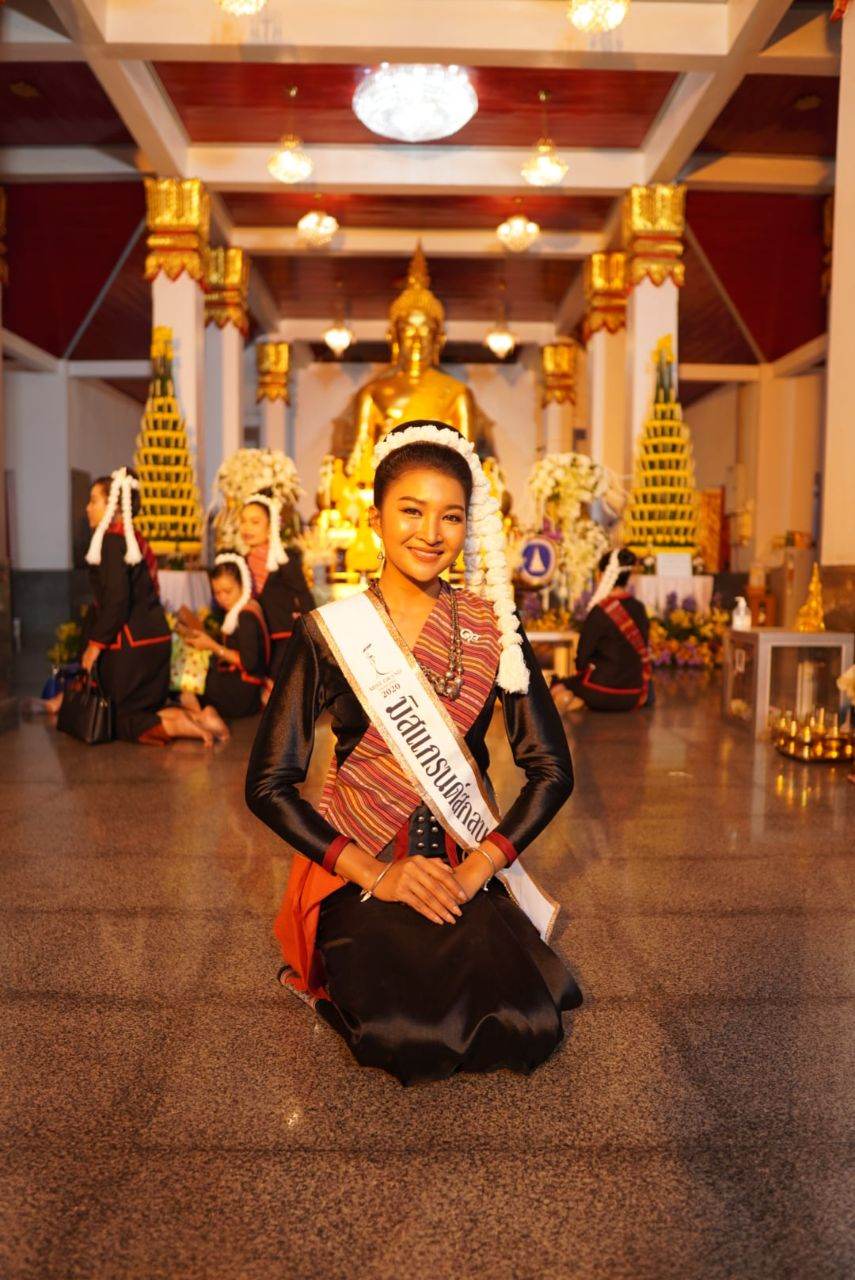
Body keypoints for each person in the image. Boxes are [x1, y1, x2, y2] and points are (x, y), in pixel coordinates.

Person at [246, 420, 582, 1085]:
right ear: (375, 518)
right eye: (411, 510)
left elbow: (551, 771)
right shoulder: (330, 633)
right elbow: (268, 784)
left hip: (461, 859)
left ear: (468, 525)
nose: (430, 532)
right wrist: (378, 874)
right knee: (403, 1032)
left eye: (450, 516)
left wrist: (475, 868)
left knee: (524, 1023)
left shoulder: (492, 630)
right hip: (363, 864)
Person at [44, 468, 216, 745]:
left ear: (111, 504)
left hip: (132, 646)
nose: (88, 508)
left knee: (119, 719)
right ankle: (202, 718)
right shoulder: (134, 538)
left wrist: (95, 645)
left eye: (93, 501)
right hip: (156, 639)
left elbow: (117, 601)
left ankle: (184, 726)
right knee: (143, 709)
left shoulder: (113, 541)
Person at [179, 553, 270, 736]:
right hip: (244, 689)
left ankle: (204, 719)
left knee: (183, 680)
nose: (222, 598)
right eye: (217, 593)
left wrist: (212, 646)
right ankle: (204, 716)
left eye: (228, 591)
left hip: (242, 694)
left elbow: (249, 663)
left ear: (243, 585)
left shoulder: (246, 617)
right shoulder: (246, 608)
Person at [552, 548, 651, 714]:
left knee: (558, 685)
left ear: (603, 575)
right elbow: (644, 648)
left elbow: (583, 656)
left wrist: (579, 675)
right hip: (633, 694)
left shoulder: (600, 611)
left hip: (600, 692)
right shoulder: (639, 608)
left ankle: (571, 700)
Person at [238, 491, 315, 680]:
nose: (247, 527)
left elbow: (304, 597)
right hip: (257, 645)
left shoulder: (284, 560)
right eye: (243, 521)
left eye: (255, 522)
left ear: (271, 526)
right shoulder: (241, 562)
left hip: (285, 642)